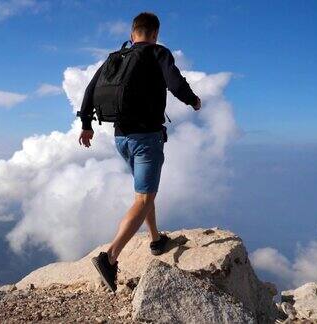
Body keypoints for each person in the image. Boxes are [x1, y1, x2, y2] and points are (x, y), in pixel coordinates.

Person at [77, 12, 201, 292]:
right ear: (155, 34)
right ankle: (109, 257)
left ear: (133, 34)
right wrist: (193, 101)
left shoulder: (115, 58)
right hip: (146, 138)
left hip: (120, 137)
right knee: (144, 197)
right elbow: (175, 83)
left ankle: (156, 239)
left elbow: (90, 90)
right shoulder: (158, 53)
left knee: (144, 195)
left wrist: (86, 125)